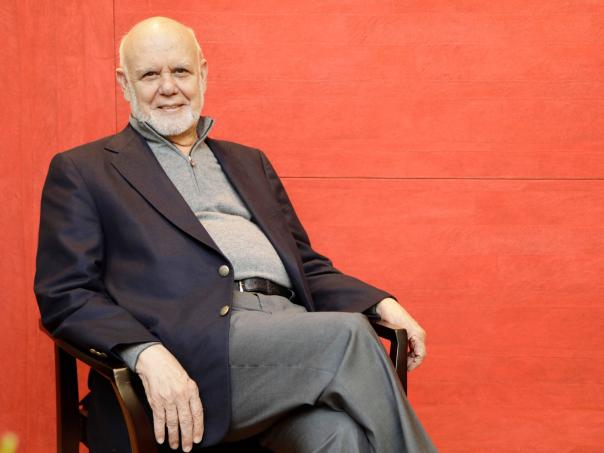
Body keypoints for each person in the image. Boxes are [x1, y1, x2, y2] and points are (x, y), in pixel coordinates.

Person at [34, 16, 437, 453]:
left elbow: (305, 265)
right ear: (124, 83)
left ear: (203, 73)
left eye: (181, 71)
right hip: (194, 351)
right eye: (150, 75)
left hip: (291, 339)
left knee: (340, 434)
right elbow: (66, 293)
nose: (168, 87)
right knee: (350, 336)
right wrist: (144, 352)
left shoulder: (249, 163)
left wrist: (382, 303)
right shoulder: (86, 170)